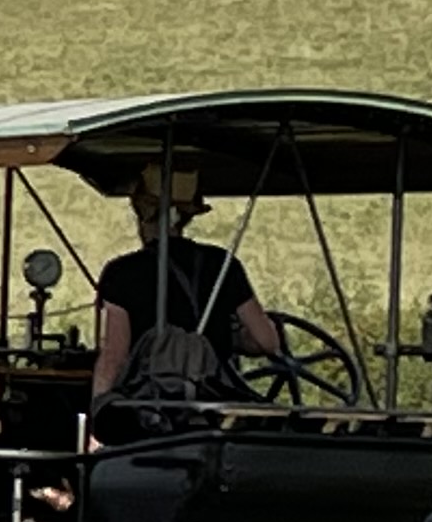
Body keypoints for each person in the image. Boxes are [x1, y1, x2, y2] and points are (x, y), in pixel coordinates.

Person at [89, 160, 286, 401]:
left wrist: (100, 412)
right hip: (213, 403)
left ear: (143, 213)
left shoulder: (122, 272)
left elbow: (114, 357)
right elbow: (266, 342)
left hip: (153, 408)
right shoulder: (222, 263)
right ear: (186, 218)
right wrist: (228, 338)